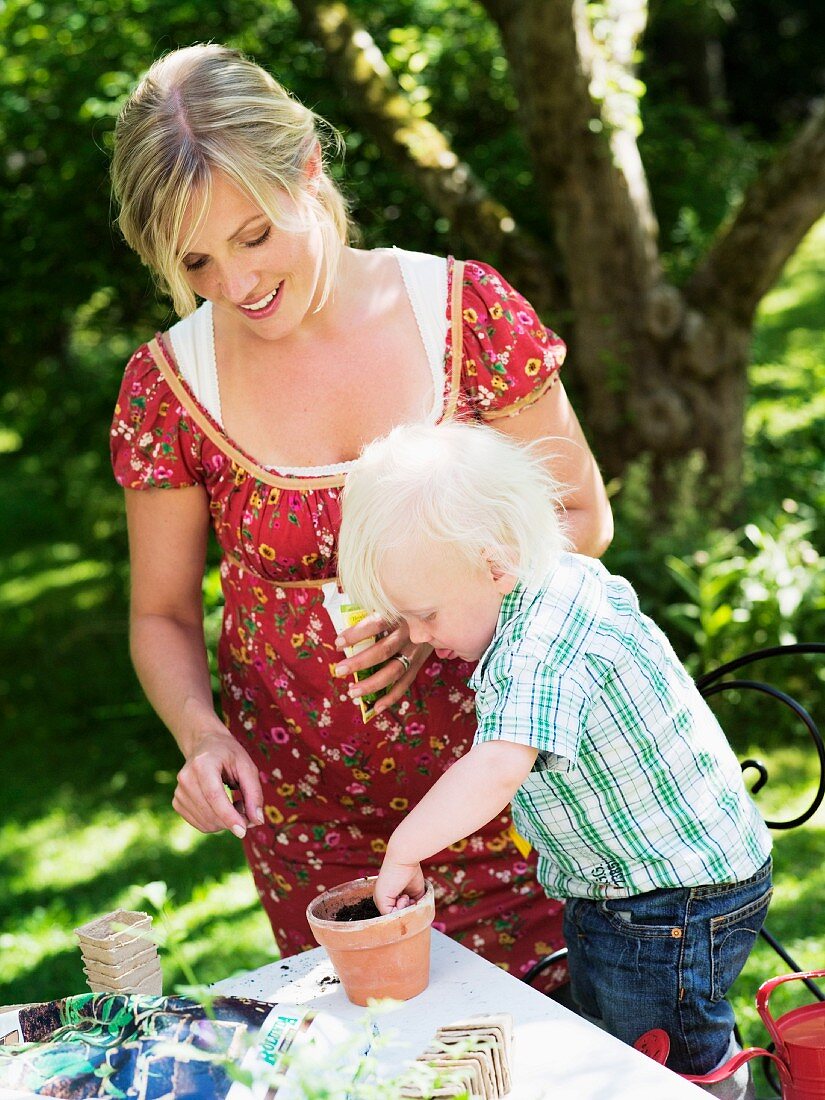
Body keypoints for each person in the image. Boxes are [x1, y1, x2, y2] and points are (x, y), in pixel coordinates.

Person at [108, 42, 613, 979]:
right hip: (316, 837)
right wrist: (201, 732)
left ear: (306, 167)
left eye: (254, 236)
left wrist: (436, 616)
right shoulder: (169, 386)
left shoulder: (463, 312)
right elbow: (162, 613)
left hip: (527, 791)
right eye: (197, 261)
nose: (235, 284)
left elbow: (579, 515)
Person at [337, 419, 772, 1085]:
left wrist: (404, 849)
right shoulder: (555, 576)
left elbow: (493, 769)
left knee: (667, 1065)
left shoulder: (538, 647)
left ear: (492, 564)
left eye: (424, 613)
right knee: (626, 1037)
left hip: (671, 901)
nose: (417, 636)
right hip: (635, 884)